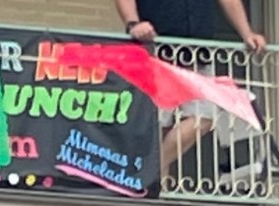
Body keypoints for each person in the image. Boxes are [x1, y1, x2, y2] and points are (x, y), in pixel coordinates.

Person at [110, 0, 266, 175]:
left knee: (205, 117)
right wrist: (133, 23)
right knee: (157, 126)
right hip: (157, 49)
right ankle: (157, 191)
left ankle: (150, 169)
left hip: (198, 53)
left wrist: (247, 33)